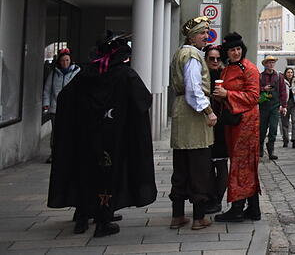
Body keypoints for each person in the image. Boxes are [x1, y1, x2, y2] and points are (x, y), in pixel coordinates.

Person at [47, 32, 156, 237]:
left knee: (85, 173)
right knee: (108, 176)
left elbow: (64, 98)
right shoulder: (125, 75)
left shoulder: (86, 74)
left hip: (86, 137)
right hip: (112, 138)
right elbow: (143, 99)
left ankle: (82, 217)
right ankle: (103, 221)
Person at [168, 16, 217, 231]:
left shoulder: (180, 52)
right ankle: (198, 218)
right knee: (199, 167)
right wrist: (208, 111)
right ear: (191, 36)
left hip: (181, 112)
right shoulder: (192, 55)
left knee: (181, 167)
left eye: (206, 33)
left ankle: (177, 215)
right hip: (193, 116)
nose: (206, 37)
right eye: (201, 33)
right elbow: (193, 88)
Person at [213, 32, 261, 222]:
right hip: (232, 122)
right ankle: (254, 208)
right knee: (243, 163)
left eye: (238, 49)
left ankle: (238, 208)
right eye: (232, 49)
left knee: (241, 163)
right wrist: (220, 96)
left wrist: (227, 95)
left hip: (246, 123)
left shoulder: (248, 68)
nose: (236, 52)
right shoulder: (226, 69)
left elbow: (253, 97)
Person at [42, 48, 81, 163]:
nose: (65, 63)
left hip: (71, 108)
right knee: (56, 133)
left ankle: (68, 154)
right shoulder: (54, 74)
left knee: (70, 131)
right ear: (59, 61)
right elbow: (47, 90)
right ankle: (54, 154)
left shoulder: (77, 73)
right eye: (63, 60)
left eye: (67, 60)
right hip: (55, 108)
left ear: (71, 61)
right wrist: (46, 104)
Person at [204, 45, 229, 216]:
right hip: (203, 124)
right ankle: (208, 197)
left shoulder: (224, 76)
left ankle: (217, 200)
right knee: (206, 165)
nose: (214, 61)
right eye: (211, 58)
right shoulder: (202, 74)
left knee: (220, 163)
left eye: (217, 59)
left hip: (221, 124)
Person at [258, 55, 287, 160]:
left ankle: (271, 150)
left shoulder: (279, 76)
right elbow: (255, 89)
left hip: (275, 106)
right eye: (269, 62)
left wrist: (284, 106)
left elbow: (283, 91)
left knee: (273, 129)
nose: (271, 64)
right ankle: (260, 148)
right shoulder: (260, 76)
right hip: (263, 106)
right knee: (262, 129)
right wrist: (263, 88)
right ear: (265, 64)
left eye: (273, 62)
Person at [281, 67, 295, 148]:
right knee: (285, 123)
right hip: (285, 103)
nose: (290, 74)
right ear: (285, 73)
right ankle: (285, 140)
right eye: (288, 72)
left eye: (291, 72)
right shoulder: (282, 82)